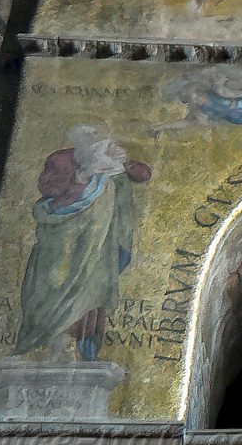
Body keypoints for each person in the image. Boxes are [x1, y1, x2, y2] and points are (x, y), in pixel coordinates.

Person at [16, 125, 152, 361]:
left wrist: (125, 164)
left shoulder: (112, 166)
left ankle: (79, 348)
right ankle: (50, 343)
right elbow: (47, 188)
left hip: (97, 249)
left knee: (90, 297)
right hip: (60, 239)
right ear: (80, 146)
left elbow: (144, 175)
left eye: (103, 144)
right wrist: (81, 179)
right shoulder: (61, 160)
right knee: (53, 287)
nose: (101, 148)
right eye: (94, 144)